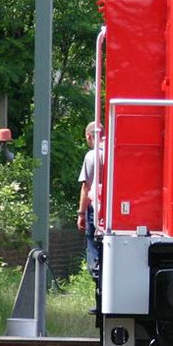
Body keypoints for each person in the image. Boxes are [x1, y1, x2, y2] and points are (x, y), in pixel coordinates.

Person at [77, 122, 102, 287]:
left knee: (93, 245)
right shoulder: (113, 152)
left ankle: (98, 280)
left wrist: (81, 213)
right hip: (115, 210)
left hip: (96, 207)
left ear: (89, 136)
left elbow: (86, 187)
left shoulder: (91, 156)